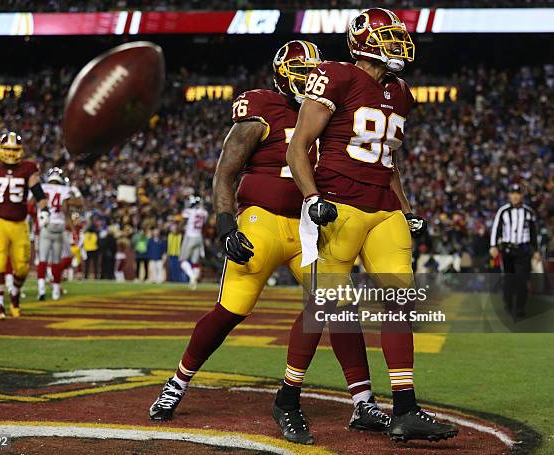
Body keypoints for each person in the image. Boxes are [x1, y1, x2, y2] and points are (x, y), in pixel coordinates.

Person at [149, 40, 389, 443]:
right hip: (260, 219)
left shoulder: (334, 107)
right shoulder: (260, 107)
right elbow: (226, 171)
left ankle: (363, 401)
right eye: (299, 71)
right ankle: (178, 380)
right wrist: (227, 226)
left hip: (309, 226)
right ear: (281, 76)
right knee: (231, 309)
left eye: (313, 71)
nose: (308, 79)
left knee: (340, 308)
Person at [284, 9, 457, 443]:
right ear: (364, 41)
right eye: (389, 36)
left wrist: (406, 206)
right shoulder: (333, 76)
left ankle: (404, 408)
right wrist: (312, 198)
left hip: (383, 209)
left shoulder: (401, 92)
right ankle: (287, 397)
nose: (398, 43)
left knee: (400, 303)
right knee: (325, 307)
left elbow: (388, 161)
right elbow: (298, 149)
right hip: (339, 206)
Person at [0, 132, 50, 320]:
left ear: (21, 151)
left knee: (22, 266)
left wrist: (44, 209)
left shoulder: (28, 168)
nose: (11, 154)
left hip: (19, 223)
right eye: (8, 149)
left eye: (14, 150)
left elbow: (38, 191)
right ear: (0, 150)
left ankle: (14, 293)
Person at [489, 183, 540, 317]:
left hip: (523, 250)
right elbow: (496, 229)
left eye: (518, 193)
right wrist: (493, 245)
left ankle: (520, 308)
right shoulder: (503, 211)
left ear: (522, 195)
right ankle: (508, 304)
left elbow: (533, 232)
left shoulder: (528, 211)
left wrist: (535, 250)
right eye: (513, 193)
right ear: (509, 195)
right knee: (509, 279)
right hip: (508, 250)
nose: (515, 196)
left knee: (522, 279)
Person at [37, 168, 74, 300]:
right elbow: (64, 208)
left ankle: (41, 290)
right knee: (56, 261)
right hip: (59, 225)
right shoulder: (64, 190)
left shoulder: (42, 187)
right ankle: (56, 292)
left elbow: (32, 204)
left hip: (46, 226)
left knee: (42, 259)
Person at [179, 195, 207, 289]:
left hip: (190, 237)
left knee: (183, 261)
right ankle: (194, 283)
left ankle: (192, 277)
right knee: (195, 262)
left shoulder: (189, 211)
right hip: (199, 237)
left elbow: (182, 220)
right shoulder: (204, 213)